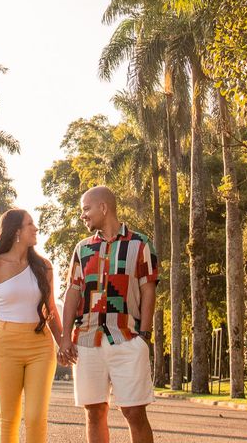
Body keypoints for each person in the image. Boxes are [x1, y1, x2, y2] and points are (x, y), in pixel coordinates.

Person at [60, 186, 158, 443]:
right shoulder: (82, 249)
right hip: (87, 340)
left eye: (86, 209)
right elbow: (73, 292)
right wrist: (65, 337)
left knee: (134, 412)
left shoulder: (140, 244)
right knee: (94, 412)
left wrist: (144, 335)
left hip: (127, 338)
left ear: (103, 208)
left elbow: (148, 289)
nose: (82, 215)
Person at [0, 208, 65, 443]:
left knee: (35, 417)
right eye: (30, 224)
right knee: (8, 418)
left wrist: (63, 342)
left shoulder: (44, 266)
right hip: (5, 346)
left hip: (40, 346)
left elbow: (51, 308)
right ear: (16, 232)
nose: (36, 228)